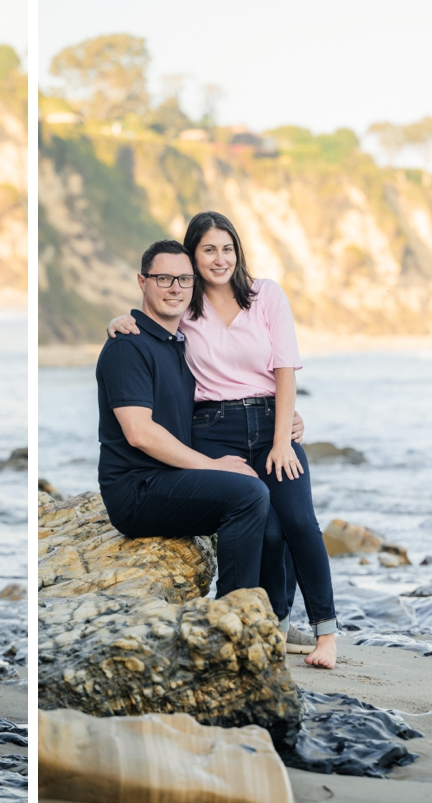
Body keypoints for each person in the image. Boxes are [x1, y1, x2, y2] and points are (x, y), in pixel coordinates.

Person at [107, 211, 338, 669]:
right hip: (213, 428)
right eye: (209, 249)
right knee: (263, 523)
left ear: (238, 251)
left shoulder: (265, 295)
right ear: (194, 256)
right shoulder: (186, 311)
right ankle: (268, 621)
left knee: (298, 520)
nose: (220, 258)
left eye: (227, 248)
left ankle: (325, 633)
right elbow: (150, 322)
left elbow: (285, 370)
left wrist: (282, 438)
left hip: (273, 422)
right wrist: (118, 321)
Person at [96, 239, 273, 602]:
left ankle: (275, 615)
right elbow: (140, 433)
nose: (175, 288)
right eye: (163, 278)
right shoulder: (127, 346)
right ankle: (232, 613)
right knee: (248, 495)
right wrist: (213, 466)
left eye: (185, 280)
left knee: (273, 501)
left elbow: (231, 383)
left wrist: (287, 418)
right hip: (136, 490)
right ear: (142, 282)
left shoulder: (178, 343)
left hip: (168, 478)